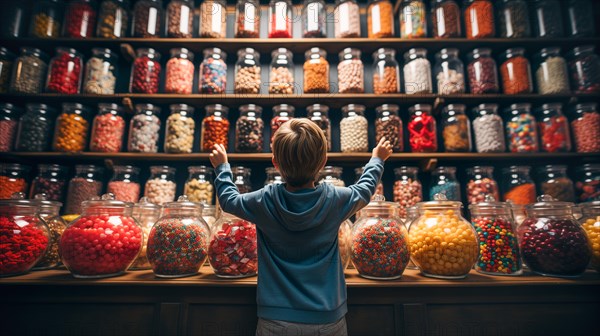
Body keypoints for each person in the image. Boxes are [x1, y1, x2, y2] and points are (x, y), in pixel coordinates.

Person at [209, 118, 393, 336]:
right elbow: (365, 190)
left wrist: (222, 167)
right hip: (327, 318)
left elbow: (229, 200)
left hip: (275, 319)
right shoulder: (336, 199)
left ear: (275, 163)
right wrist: (377, 159)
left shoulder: (263, 200)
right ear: (323, 161)